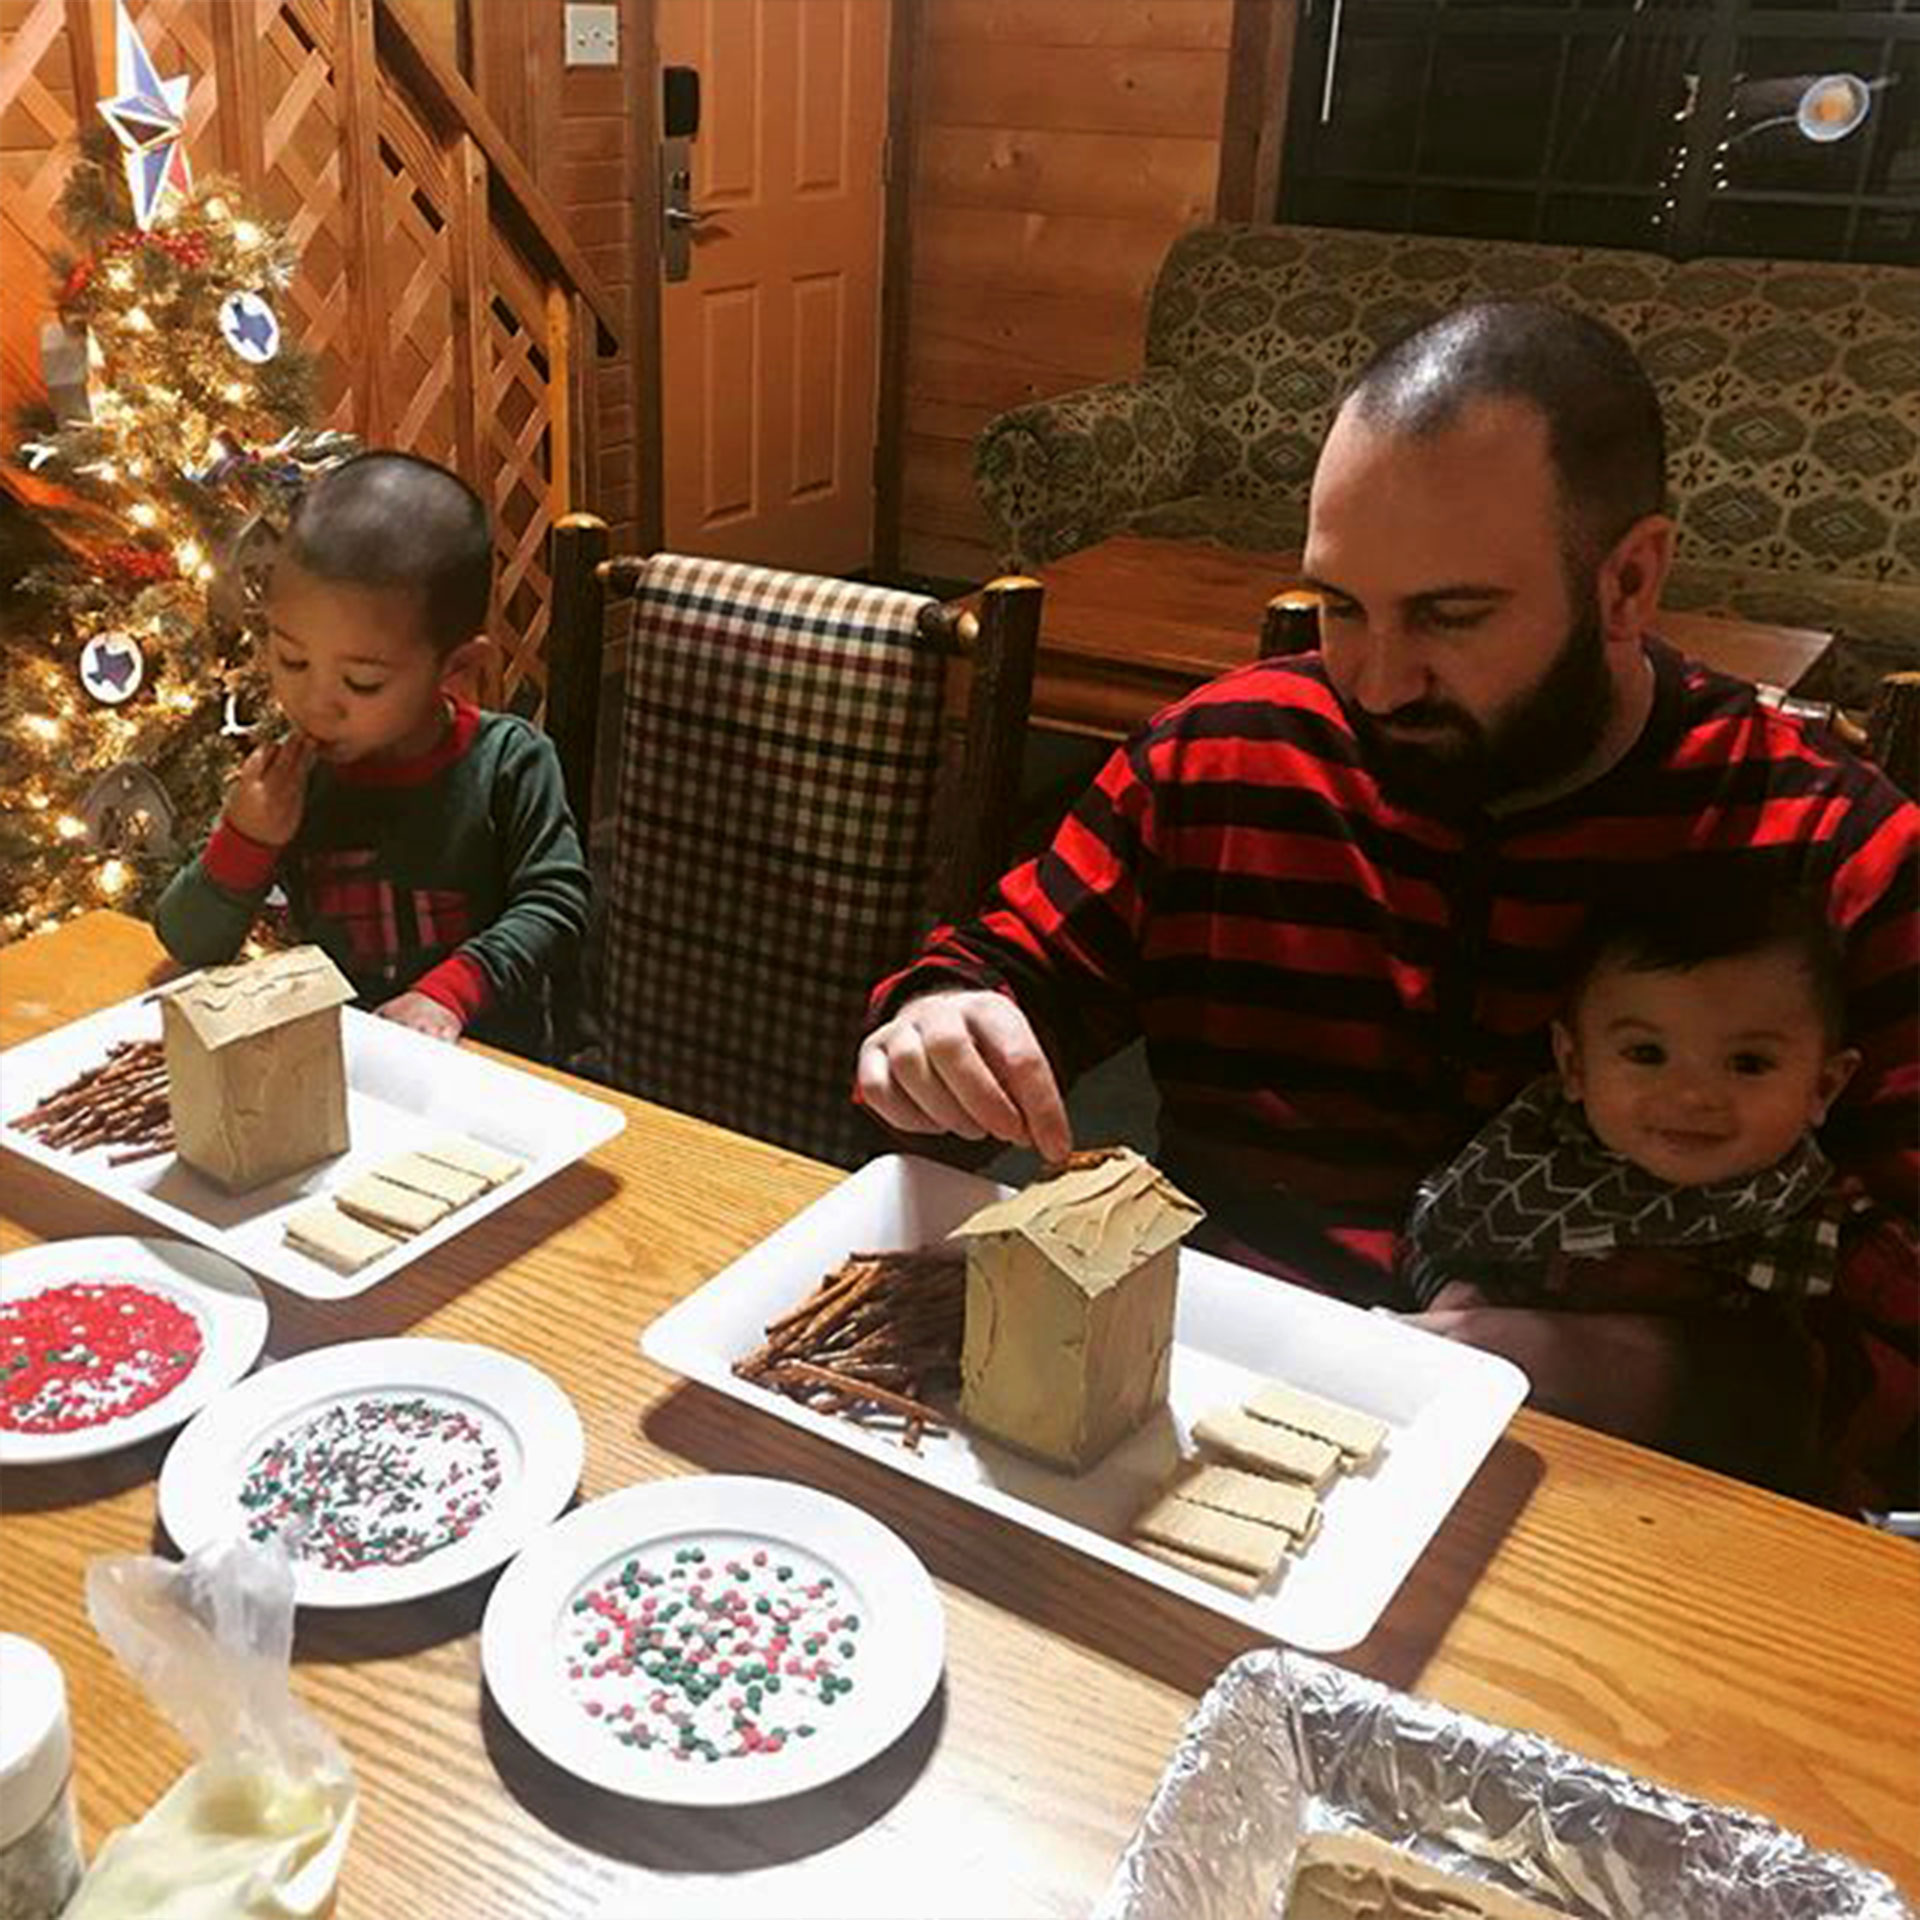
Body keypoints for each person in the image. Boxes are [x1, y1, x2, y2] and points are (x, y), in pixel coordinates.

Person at [855, 300, 1918, 1507]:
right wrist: (943, 1022)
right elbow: (1003, 972)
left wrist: (1628, 1368)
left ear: (1629, 579)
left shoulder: (1837, 848)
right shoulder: (1222, 756)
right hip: (1203, 1408)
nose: (1373, 679)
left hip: (1630, 1484)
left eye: (1450, 617)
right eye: (1341, 606)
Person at [1398, 886, 1903, 1491]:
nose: (1692, 1096)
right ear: (1574, 1064)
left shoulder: (1815, 1216)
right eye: (1647, 1052)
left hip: (1723, 1493)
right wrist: (1456, 1294)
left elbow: (1861, 1390)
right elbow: (1436, 1235)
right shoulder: (1532, 1161)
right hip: (1517, 1455)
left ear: (1824, 1086)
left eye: (1748, 1063)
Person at [155, 451, 591, 1057]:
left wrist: (449, 993)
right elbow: (187, 941)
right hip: (342, 1070)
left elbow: (556, 907)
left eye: (361, 682)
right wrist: (246, 839)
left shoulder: (508, 763)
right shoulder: (294, 779)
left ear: (458, 669)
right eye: (291, 660)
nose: (315, 703)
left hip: (491, 1073)